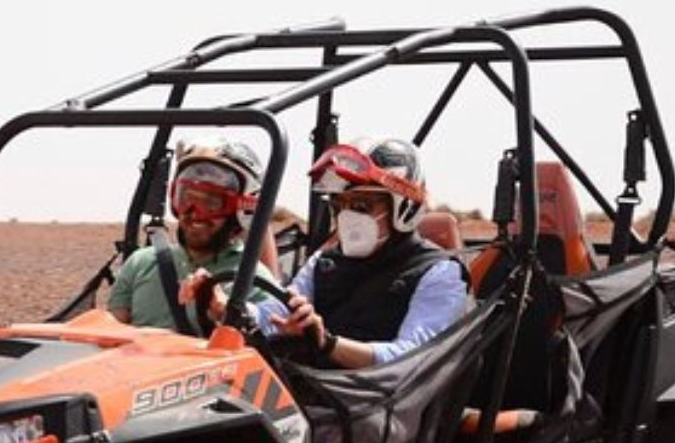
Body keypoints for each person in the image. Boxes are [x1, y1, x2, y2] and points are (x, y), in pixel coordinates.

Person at [185, 137, 469, 367]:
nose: (347, 217)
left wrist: (328, 343)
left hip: (382, 412)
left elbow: (412, 358)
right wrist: (224, 306)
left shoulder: (439, 272)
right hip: (319, 394)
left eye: (361, 206)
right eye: (339, 206)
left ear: (404, 206)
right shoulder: (325, 262)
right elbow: (276, 314)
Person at [108, 138, 276, 333]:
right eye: (186, 199)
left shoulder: (254, 278)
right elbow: (109, 335)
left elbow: (261, 349)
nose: (195, 213)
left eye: (212, 203)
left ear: (240, 210)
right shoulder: (140, 263)